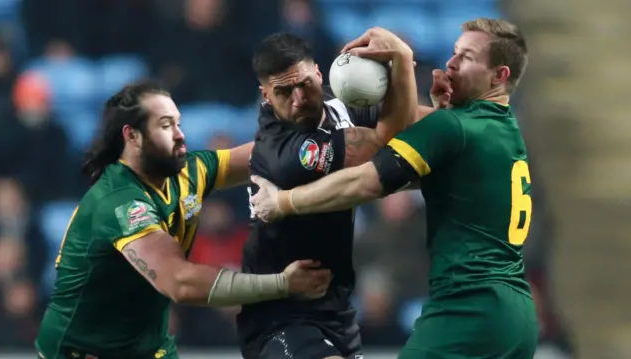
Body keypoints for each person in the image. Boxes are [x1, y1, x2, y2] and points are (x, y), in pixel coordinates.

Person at [249, 18, 539, 359]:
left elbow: (369, 181)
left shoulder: (453, 127)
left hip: (468, 308)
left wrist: (284, 201)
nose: (451, 63)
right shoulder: (504, 129)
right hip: (516, 316)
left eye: (467, 57)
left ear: (499, 75)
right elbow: (438, 167)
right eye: (454, 52)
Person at [35, 81, 333, 359]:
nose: (180, 134)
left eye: (178, 122)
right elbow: (179, 282)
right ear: (132, 136)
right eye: (166, 125)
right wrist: (282, 284)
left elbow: (271, 157)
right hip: (82, 351)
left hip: (147, 345)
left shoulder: (189, 170)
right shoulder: (119, 201)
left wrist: (327, 128)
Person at [236, 29, 425, 359]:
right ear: (265, 94)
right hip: (280, 317)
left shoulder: (342, 108)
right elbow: (388, 148)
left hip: (336, 313)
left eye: (304, 84)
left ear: (319, 74)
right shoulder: (284, 151)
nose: (298, 98)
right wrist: (402, 62)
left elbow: (423, 130)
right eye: (283, 92)